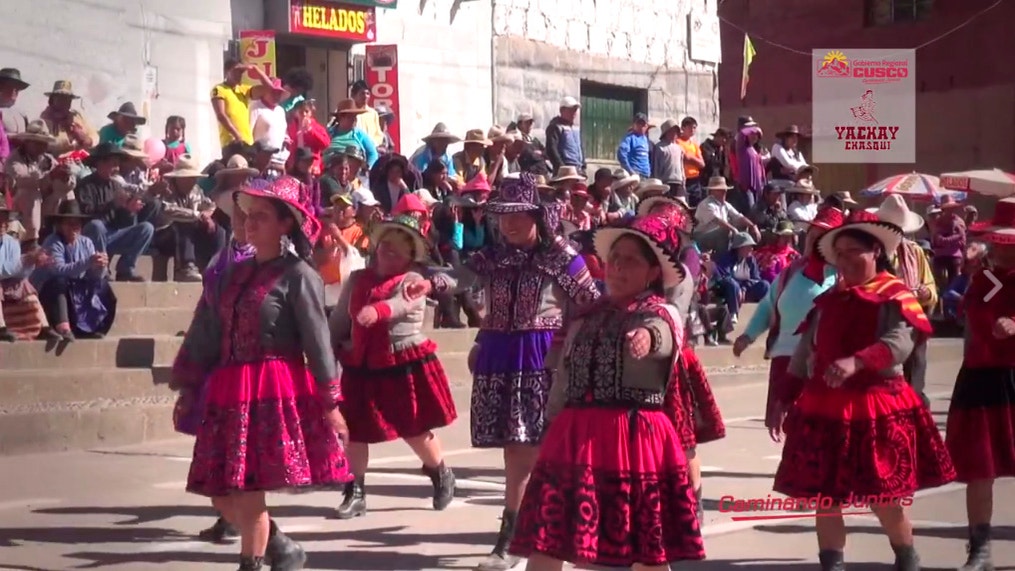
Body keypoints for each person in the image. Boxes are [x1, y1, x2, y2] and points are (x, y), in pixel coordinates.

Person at [403, 173, 600, 571]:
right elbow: (460, 278)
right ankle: (514, 540)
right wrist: (433, 283)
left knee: (546, 453)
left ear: (536, 215)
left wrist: (575, 356)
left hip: (544, 361)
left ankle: (544, 537)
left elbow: (591, 306)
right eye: (501, 216)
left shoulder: (561, 257)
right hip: (502, 358)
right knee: (516, 451)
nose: (508, 224)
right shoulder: (494, 256)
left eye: (517, 215)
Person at [508, 208, 705, 570]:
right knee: (548, 540)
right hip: (574, 435)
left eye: (630, 261)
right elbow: (563, 375)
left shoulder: (659, 312)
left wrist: (646, 338)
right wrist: (551, 427)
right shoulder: (587, 314)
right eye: (614, 260)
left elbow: (662, 336)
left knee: (644, 550)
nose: (618, 267)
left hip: (632, 438)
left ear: (652, 272)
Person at [170, 177, 350, 571]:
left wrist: (331, 402)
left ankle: (251, 563)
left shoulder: (299, 275)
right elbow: (208, 329)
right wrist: (189, 381)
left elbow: (318, 342)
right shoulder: (234, 274)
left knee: (248, 491)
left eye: (262, 217)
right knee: (219, 492)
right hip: (229, 390)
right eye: (249, 216)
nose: (250, 224)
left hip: (271, 389)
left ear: (285, 224)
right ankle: (281, 546)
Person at [772, 210, 955, 571]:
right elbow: (805, 349)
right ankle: (832, 564)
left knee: (883, 496)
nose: (843, 260)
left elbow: (901, 342)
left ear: (875, 252)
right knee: (825, 497)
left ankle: (906, 556)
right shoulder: (829, 299)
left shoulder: (894, 295)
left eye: (852, 251)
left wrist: (857, 361)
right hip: (824, 406)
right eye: (838, 253)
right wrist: (784, 397)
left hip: (877, 405)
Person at [329, 214, 458, 519]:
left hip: (401, 362)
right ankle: (355, 491)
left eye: (397, 250)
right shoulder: (359, 278)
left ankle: (441, 473)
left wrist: (378, 310)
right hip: (360, 362)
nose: (387, 253)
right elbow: (340, 316)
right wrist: (329, 345)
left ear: (409, 257)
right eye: (385, 246)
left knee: (413, 427)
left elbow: (402, 304)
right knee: (354, 430)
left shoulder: (413, 281)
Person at [945, 197, 1015, 571]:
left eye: (1011, 242)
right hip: (981, 379)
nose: (1005, 247)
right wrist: (974, 271)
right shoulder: (988, 278)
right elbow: (975, 308)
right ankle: (980, 549)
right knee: (979, 469)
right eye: (1000, 241)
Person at [733, 206, 844, 438]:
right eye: (812, 235)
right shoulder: (791, 271)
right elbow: (767, 304)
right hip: (784, 359)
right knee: (788, 427)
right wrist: (748, 335)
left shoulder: (841, 277)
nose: (814, 241)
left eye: (821, 237)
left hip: (817, 363)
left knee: (814, 427)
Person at [32, 201, 117, 341]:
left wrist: (100, 266)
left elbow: (93, 276)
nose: (74, 227)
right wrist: (89, 261)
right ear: (60, 225)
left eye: (77, 223)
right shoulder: (53, 242)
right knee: (59, 283)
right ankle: (63, 326)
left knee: (103, 286)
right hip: (49, 292)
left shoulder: (86, 242)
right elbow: (59, 270)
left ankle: (96, 327)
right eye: (69, 223)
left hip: (76, 290)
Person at [0, 204, 57, 341]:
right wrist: (25, 261)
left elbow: (18, 273)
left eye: (5, 220)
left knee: (24, 284)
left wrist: (32, 263)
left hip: (7, 284)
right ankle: (1, 328)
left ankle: (43, 327)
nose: (3, 224)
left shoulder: (12, 243)